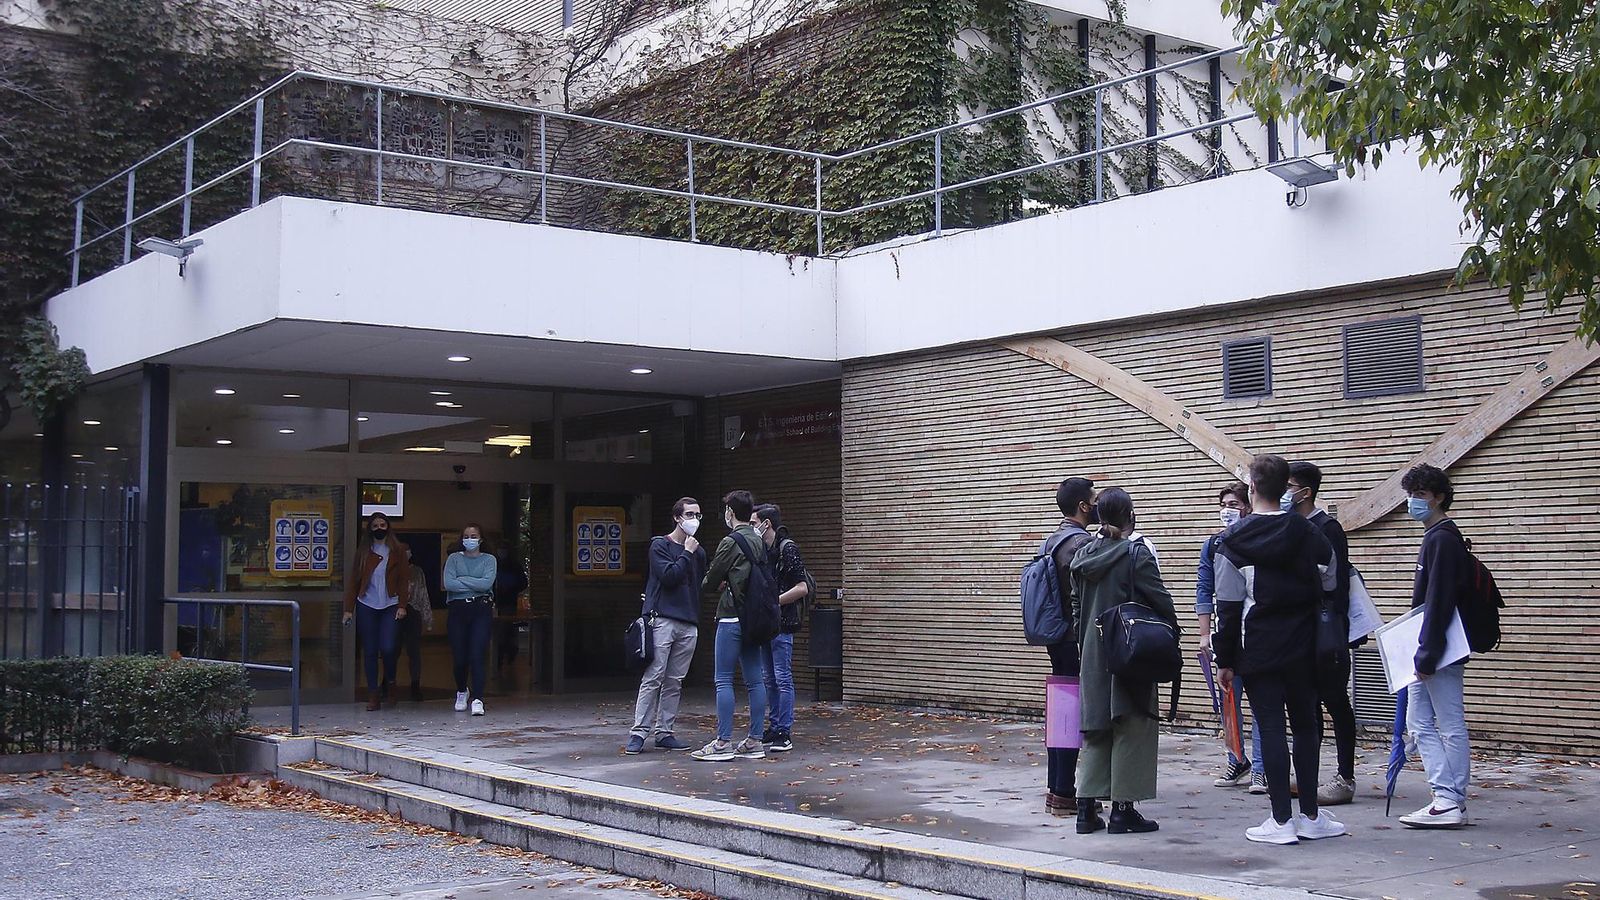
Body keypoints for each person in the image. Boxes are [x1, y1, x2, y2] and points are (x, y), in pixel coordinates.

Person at [1214, 454, 1345, 845]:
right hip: (1305, 646)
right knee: (1307, 726)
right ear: (1285, 488)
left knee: (1269, 727)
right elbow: (1332, 578)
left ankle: (1280, 821)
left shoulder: (1232, 541)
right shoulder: (1309, 533)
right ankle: (1310, 815)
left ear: (1252, 489)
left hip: (1259, 649)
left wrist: (1225, 660)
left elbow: (1228, 605)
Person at [1069, 487, 1178, 836]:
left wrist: (1086, 636)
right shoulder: (1136, 555)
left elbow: (1075, 608)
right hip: (1130, 652)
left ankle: (1086, 810)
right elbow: (1160, 600)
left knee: (1097, 729)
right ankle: (1123, 810)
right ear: (1130, 516)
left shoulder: (1082, 556)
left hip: (1092, 652)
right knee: (1132, 725)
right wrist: (1172, 631)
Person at [1398, 463, 1473, 829]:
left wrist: (1426, 653)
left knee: (1444, 722)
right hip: (1436, 645)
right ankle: (1447, 796)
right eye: (1411, 495)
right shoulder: (1439, 537)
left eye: (1421, 496)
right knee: (1422, 721)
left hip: (1439, 647)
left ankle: (1448, 798)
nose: (1413, 502)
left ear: (1439, 497)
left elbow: (1438, 601)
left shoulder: (1442, 539)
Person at [1286, 461, 1358, 806]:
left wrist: (1336, 630)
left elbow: (1337, 584)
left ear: (1305, 491)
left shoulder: (1327, 527)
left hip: (1326, 629)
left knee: (1335, 700)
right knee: (1305, 703)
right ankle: (1307, 775)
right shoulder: (1288, 525)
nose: (1285, 492)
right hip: (1297, 630)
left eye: (1290, 486)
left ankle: (1345, 775)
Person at [1197, 481, 1265, 792]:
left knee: (1262, 703)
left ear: (1248, 506)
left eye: (1234, 504)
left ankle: (1262, 768)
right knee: (1229, 702)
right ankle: (1236, 759)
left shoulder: (1260, 539)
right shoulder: (1213, 545)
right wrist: (1204, 634)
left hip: (1254, 635)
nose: (1228, 510)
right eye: (1224, 504)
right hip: (1227, 635)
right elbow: (1204, 589)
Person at [692, 490, 769, 762]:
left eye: (726, 510)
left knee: (723, 678)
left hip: (731, 616)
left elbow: (711, 580)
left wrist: (714, 582)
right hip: (754, 617)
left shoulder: (731, 541)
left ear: (731, 513)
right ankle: (755, 740)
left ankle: (723, 742)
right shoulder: (759, 539)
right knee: (755, 680)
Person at [626, 497, 707, 755]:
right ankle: (639, 731)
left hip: (689, 622)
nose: (694, 520)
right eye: (689, 514)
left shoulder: (699, 552)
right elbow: (670, 576)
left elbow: (698, 585)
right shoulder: (660, 545)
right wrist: (687, 552)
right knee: (654, 675)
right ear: (677, 517)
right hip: (662, 619)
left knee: (675, 680)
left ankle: (665, 731)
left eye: (697, 515)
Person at [1040, 477, 1100, 817]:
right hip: (1075, 639)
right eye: (1093, 499)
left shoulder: (1052, 540)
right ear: (1083, 506)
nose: (1097, 505)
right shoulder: (1079, 544)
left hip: (1055, 637)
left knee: (1061, 713)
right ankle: (1065, 792)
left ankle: (1056, 790)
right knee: (1074, 716)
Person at [755, 503, 811, 753]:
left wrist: (774, 602)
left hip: (782, 622)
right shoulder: (763, 550)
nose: (752, 527)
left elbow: (802, 587)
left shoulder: (788, 548)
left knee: (782, 677)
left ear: (767, 524)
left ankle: (784, 731)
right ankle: (775, 725)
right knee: (769, 678)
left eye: (755, 523)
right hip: (767, 622)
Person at [341, 513, 411, 711]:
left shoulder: (398, 551)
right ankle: (373, 695)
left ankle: (390, 682)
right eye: (375, 526)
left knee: (388, 648)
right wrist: (348, 610)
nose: (379, 528)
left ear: (388, 527)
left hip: (391, 604)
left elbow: (404, 580)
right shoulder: (363, 552)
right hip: (367, 604)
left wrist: (402, 605)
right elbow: (354, 582)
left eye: (382, 524)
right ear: (369, 529)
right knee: (370, 650)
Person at [444, 523, 497, 716]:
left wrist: (463, 579)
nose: (469, 539)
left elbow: (486, 584)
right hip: (458, 610)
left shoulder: (489, 560)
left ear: (481, 539)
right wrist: (475, 583)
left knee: (477, 654)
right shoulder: (453, 559)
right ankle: (461, 691)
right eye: (466, 536)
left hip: (480, 609)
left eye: (473, 536)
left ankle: (478, 698)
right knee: (459, 658)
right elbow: (448, 583)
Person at [398, 543, 433, 702]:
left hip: (413, 612)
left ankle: (415, 684)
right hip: (395, 611)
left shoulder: (417, 572)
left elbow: (423, 594)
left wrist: (428, 618)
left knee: (414, 651)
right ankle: (387, 682)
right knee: (391, 650)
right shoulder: (391, 569)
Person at [492, 546, 530, 679]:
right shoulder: (493, 564)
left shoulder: (514, 566)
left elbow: (523, 583)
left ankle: (504, 656)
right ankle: (501, 657)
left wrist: (510, 589)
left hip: (508, 603)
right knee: (501, 632)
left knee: (505, 631)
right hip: (497, 602)